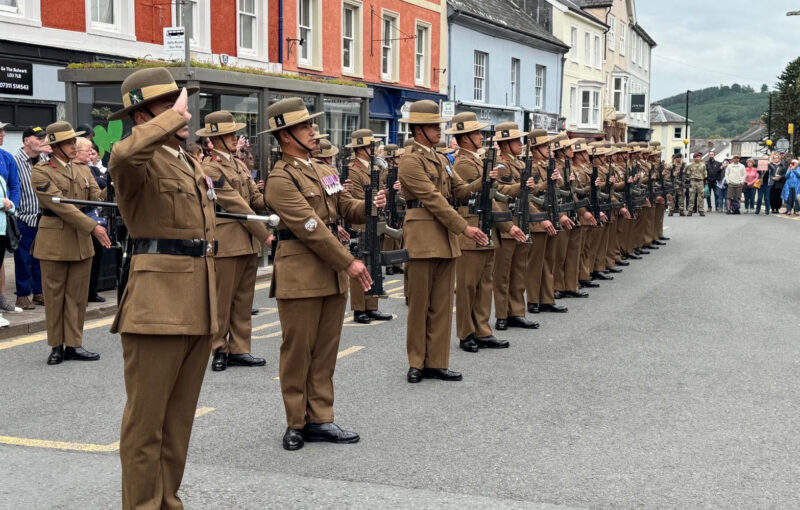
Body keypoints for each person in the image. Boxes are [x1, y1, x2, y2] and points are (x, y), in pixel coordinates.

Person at [108, 67, 216, 509]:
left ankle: (166, 500)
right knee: (146, 424)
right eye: (167, 104)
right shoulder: (136, 160)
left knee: (177, 422)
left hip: (197, 300)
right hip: (156, 305)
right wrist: (170, 118)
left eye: (180, 103)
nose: (182, 113)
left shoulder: (186, 160)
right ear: (141, 117)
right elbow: (122, 156)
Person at [264, 97, 386, 451]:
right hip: (302, 270)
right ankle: (295, 421)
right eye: (305, 126)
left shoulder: (323, 170)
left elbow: (342, 209)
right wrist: (347, 262)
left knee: (326, 349)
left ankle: (321, 418)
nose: (313, 131)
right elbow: (311, 226)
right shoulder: (280, 179)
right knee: (298, 349)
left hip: (330, 271)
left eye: (311, 125)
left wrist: (368, 207)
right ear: (286, 136)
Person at [397, 100, 488, 383]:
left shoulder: (440, 159)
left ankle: (436, 361)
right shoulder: (410, 160)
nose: (439, 130)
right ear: (420, 130)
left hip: (444, 237)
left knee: (440, 304)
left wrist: (487, 179)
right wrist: (464, 228)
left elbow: (460, 191)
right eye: (434, 126)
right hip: (424, 235)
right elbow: (433, 199)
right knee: (420, 304)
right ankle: (416, 361)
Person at [198, 110, 272, 372]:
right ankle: (219, 349)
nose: (233, 138)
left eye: (232, 133)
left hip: (247, 240)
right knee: (222, 300)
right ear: (214, 139)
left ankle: (240, 349)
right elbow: (235, 204)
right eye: (228, 134)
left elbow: (255, 199)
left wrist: (279, 196)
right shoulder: (209, 167)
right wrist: (266, 234)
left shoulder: (239, 165)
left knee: (243, 300)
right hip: (227, 242)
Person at [446, 114, 526, 353]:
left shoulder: (478, 161)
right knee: (468, 286)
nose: (482, 136)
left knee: (484, 285)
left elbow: (498, 191)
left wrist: (523, 187)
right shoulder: (464, 164)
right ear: (466, 138)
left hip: (486, 227)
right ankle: (466, 333)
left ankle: (482, 329)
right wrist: (507, 225)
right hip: (473, 228)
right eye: (477, 133)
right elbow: (481, 198)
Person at [33, 122, 109, 365]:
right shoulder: (41, 171)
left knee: (77, 297)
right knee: (55, 296)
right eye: (68, 142)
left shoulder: (83, 170)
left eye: (74, 141)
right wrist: (93, 227)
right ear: (55, 147)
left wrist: (113, 179)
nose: (75, 146)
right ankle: (56, 345)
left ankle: (74, 344)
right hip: (55, 238)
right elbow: (61, 205)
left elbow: (96, 197)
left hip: (80, 241)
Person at [493, 122, 543, 331]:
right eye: (516, 140)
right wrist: (520, 187)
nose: (521, 144)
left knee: (519, 271)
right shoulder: (501, 165)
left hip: (522, 219)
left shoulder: (521, 165)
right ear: (505, 144)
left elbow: (528, 195)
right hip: (508, 221)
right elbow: (501, 190)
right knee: (503, 274)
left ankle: (517, 312)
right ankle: (502, 314)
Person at [341, 128, 393, 324]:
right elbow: (353, 199)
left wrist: (387, 193)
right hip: (361, 221)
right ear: (362, 148)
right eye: (373, 146)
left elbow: (380, 192)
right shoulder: (353, 170)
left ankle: (372, 305)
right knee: (360, 263)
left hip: (375, 219)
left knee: (373, 263)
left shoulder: (374, 169)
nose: (377, 149)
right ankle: (359, 308)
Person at [12, 126, 46, 311]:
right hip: (24, 217)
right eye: (38, 138)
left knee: (40, 258)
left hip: (43, 217)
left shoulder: (44, 160)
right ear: (26, 141)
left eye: (44, 138)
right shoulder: (15, 161)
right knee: (23, 258)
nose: (43, 141)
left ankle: (39, 292)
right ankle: (22, 295)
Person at [74, 136, 109, 303]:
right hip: (78, 222)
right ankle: (81, 294)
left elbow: (97, 197)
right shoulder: (71, 169)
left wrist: (111, 185)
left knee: (93, 259)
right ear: (76, 152)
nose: (90, 153)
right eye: (87, 150)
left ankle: (89, 292)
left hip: (92, 219)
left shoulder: (88, 169)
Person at [686, 152, 707, 216]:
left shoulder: (703, 165)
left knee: (701, 196)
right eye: (697, 157)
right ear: (694, 158)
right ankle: (690, 210)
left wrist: (703, 179)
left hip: (700, 181)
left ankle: (701, 210)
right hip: (693, 181)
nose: (699, 158)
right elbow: (688, 173)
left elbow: (705, 173)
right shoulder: (690, 165)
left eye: (700, 157)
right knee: (691, 196)